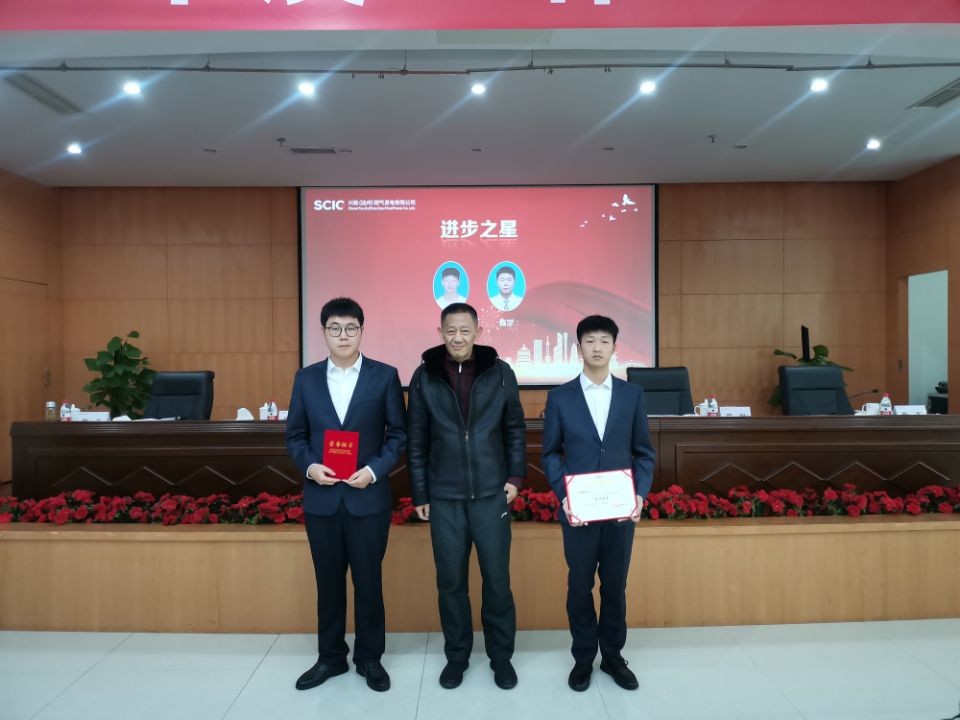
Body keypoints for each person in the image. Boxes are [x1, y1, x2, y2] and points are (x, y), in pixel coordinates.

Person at [285, 297, 407, 693]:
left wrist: (372, 471)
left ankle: (369, 658)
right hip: (322, 499)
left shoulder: (384, 376)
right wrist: (310, 467)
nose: (343, 335)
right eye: (335, 328)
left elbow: (398, 435)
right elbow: (295, 435)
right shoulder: (306, 379)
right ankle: (331, 658)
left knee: (369, 583)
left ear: (361, 331)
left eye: (350, 328)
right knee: (328, 584)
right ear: (323, 332)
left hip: (367, 498)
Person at [407, 302, 526, 691]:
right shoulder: (424, 376)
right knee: (451, 582)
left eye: (465, 330)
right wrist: (421, 492)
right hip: (445, 498)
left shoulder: (500, 373)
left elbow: (514, 428)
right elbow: (416, 440)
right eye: (451, 330)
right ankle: (457, 657)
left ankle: (501, 658)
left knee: (497, 581)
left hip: (491, 494)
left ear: (477, 332)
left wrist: (514, 477)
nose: (457, 337)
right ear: (440, 332)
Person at [541, 315, 656, 693]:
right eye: (589, 341)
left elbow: (644, 452)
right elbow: (550, 454)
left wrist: (639, 493)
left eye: (604, 341)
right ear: (579, 348)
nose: (597, 347)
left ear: (614, 348)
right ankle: (582, 657)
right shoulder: (560, 397)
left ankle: (613, 656)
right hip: (579, 512)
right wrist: (565, 496)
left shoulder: (631, 395)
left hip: (620, 512)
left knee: (614, 587)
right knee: (579, 586)